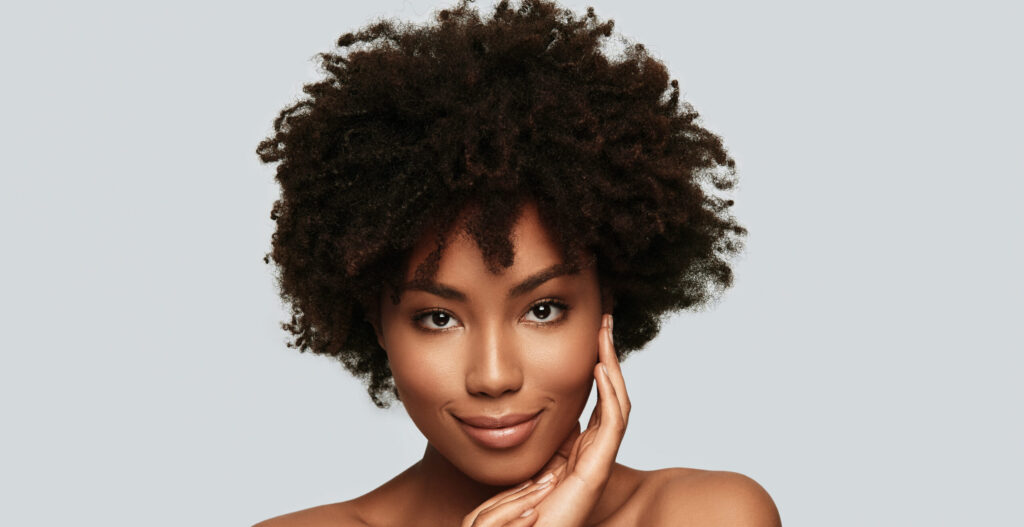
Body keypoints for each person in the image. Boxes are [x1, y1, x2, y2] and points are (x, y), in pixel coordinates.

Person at [254, 1, 780, 525]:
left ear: (608, 301)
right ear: (377, 322)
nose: (494, 376)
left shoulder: (708, 515)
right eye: (438, 318)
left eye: (544, 310)